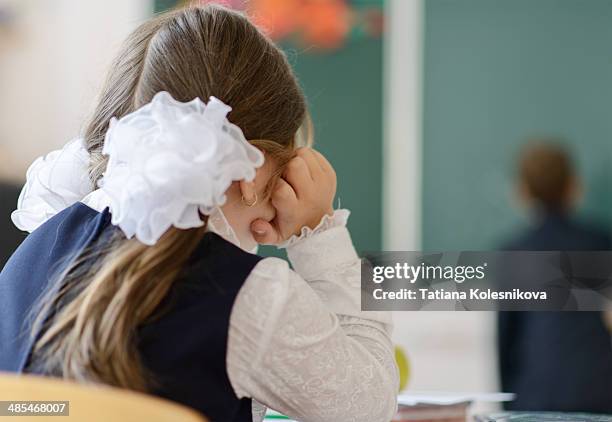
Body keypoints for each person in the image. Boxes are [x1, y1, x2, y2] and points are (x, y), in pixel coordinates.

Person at [0, 5, 398, 422]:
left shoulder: (33, 256)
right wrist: (319, 234)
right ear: (253, 170)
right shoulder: (250, 296)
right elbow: (368, 410)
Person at [498, 140, 612, 413]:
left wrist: (509, 403)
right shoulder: (601, 242)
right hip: (598, 392)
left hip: (536, 395)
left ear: (521, 191)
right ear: (574, 186)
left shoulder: (515, 251)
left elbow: (507, 337)